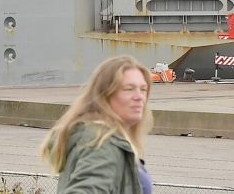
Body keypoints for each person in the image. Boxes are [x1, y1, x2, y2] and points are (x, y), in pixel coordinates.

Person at [42, 55, 154, 194]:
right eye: (128, 89)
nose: (139, 97)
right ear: (105, 95)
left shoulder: (104, 138)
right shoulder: (101, 143)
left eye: (143, 89)